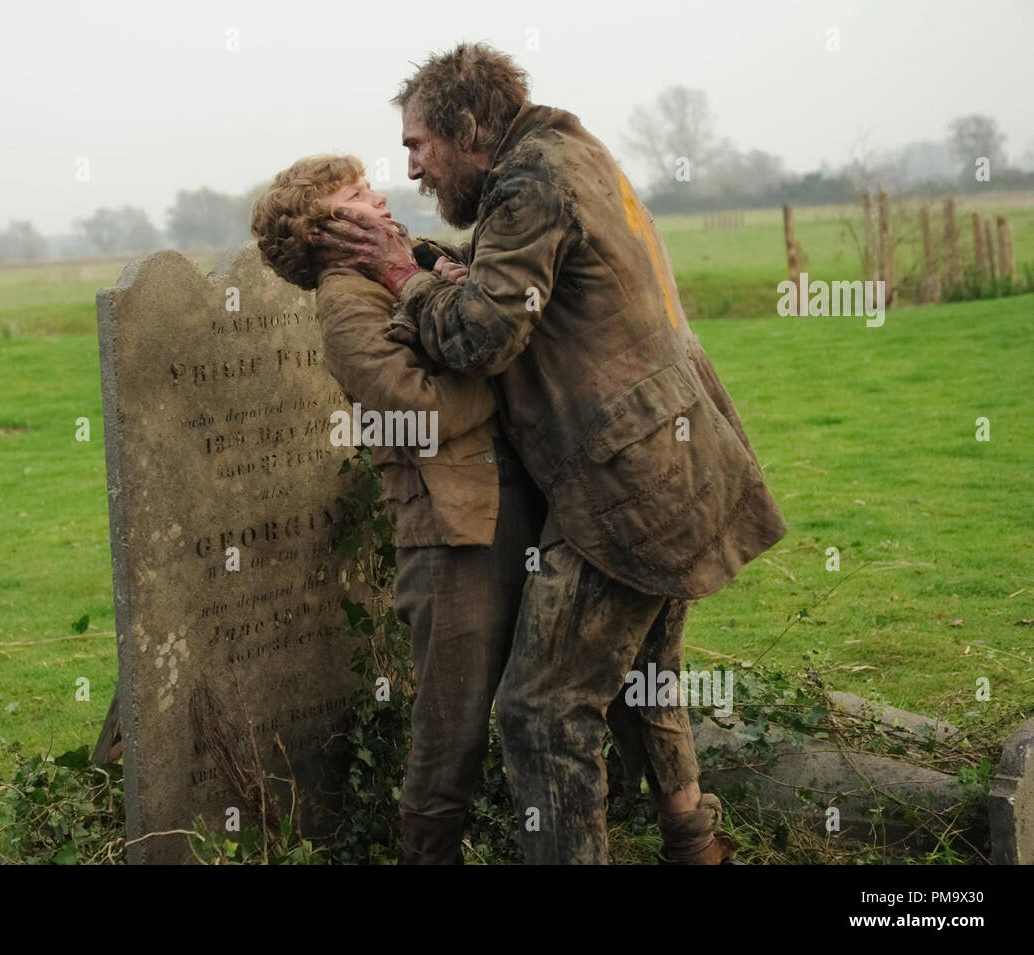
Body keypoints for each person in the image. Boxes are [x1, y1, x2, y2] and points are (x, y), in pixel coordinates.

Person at [315, 43, 788, 864]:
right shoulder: (568, 151)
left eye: (417, 144)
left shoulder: (528, 186)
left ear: (468, 128)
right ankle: (696, 844)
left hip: (627, 483)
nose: (413, 169)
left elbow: (480, 337)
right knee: (644, 676)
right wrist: (439, 264)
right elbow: (520, 288)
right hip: (678, 460)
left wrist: (399, 272)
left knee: (540, 711)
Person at [250, 154, 546, 863]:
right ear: (326, 228)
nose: (379, 194)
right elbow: (413, 410)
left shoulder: (406, 260)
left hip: (503, 506)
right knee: (452, 725)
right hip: (453, 534)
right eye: (356, 194)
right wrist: (503, 379)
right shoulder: (346, 303)